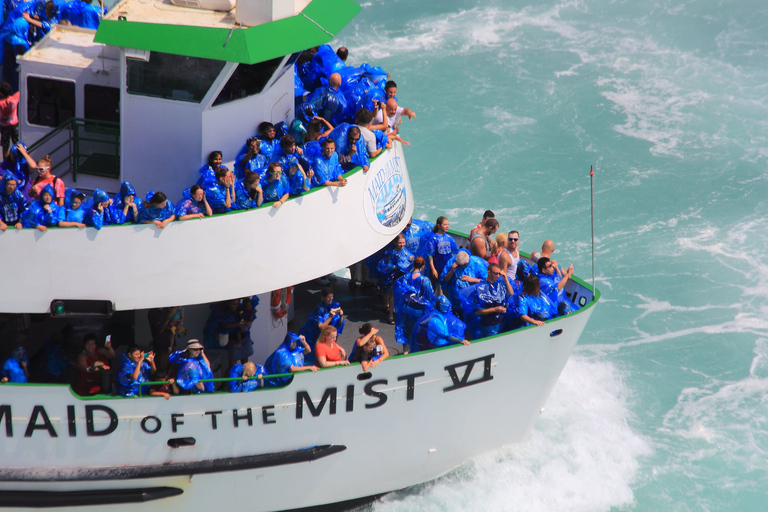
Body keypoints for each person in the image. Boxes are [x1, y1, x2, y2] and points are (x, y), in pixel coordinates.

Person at [393, 256, 436, 353]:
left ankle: (405, 353)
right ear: (423, 266)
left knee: (406, 333)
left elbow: (397, 289)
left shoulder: (405, 278)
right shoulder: (425, 280)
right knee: (418, 334)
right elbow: (430, 298)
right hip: (419, 312)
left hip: (406, 309)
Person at [469, 263, 515, 339]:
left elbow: (511, 294)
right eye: (495, 273)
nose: (497, 276)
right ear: (489, 272)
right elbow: (477, 311)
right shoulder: (480, 288)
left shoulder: (500, 284)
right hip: (489, 325)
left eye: (499, 274)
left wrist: (506, 279)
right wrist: (495, 309)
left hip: (502, 322)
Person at [377, 234, 414, 324]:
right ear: (395, 243)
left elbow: (410, 256)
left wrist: (412, 258)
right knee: (393, 296)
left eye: (403, 242)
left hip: (403, 276)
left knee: (403, 295)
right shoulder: (391, 253)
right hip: (394, 277)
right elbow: (384, 265)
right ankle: (390, 316)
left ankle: (399, 313)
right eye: (400, 243)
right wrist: (397, 267)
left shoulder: (405, 250)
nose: (402, 245)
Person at [440, 249, 488, 316]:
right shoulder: (452, 262)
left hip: (471, 303)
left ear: (469, 259)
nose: (462, 267)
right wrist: (452, 271)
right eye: (460, 265)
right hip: (455, 302)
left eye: (464, 265)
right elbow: (443, 280)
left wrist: (473, 280)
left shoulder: (477, 264)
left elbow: (487, 282)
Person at [426, 216, 458, 294]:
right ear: (439, 225)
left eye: (448, 224)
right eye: (445, 224)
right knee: (433, 289)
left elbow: (455, 252)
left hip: (447, 268)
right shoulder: (433, 238)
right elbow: (430, 255)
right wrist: (433, 269)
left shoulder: (449, 238)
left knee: (446, 288)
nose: (447, 226)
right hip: (437, 268)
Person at [0, 82, 20, 159]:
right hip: (14, 124)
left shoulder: (1, 103)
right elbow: (19, 93)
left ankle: (5, 162)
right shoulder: (15, 99)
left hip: (4, 126)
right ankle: (17, 158)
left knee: (5, 145)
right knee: (16, 142)